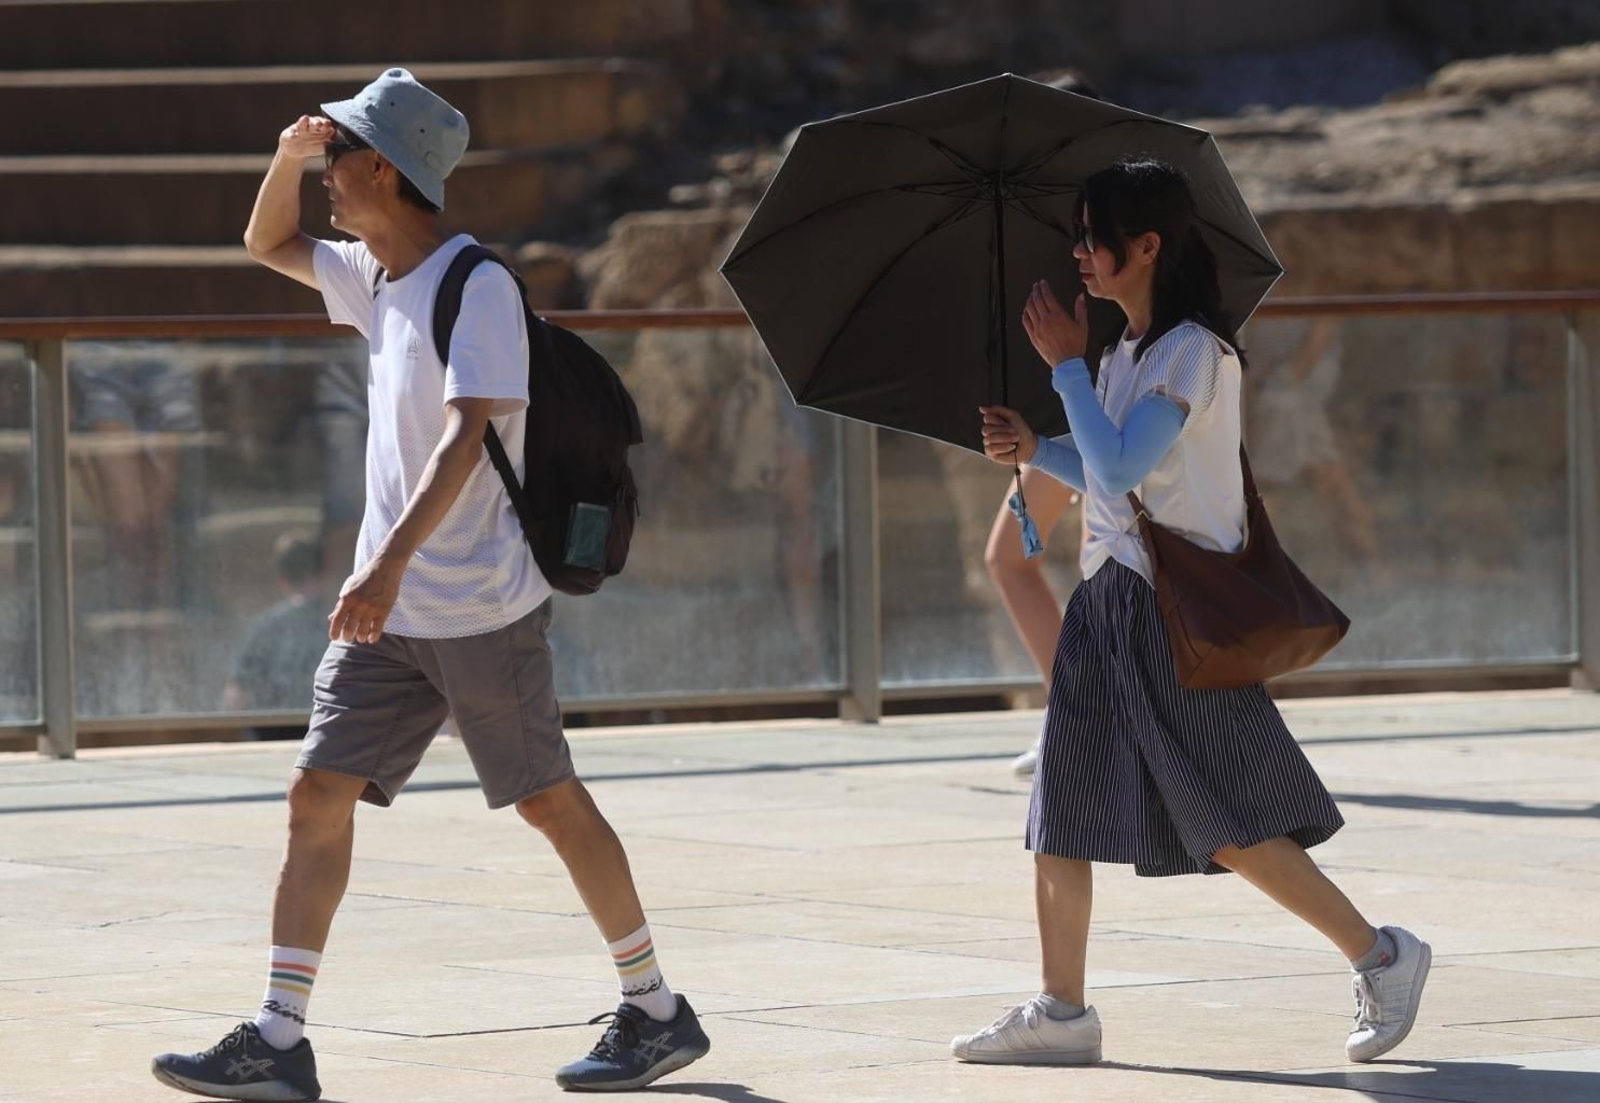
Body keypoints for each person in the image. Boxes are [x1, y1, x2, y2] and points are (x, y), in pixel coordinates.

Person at [150, 69, 709, 1101]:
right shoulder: (377, 275)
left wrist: (385, 559)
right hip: (390, 616)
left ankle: (657, 1009)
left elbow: (468, 433)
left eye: (335, 158)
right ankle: (279, 1033)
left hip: (476, 608)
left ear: (382, 167)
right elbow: (266, 246)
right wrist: (281, 153)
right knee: (316, 791)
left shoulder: (473, 284)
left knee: (546, 800)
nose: (326, 174)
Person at [955, 156, 1430, 1067]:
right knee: (1060, 808)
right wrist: (1037, 447)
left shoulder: (1192, 352)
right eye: (1078, 237)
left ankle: (1383, 954)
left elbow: (1131, 467)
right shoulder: (1121, 353)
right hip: (1106, 600)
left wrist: (1061, 373)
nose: (1081, 255)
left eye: (1096, 238)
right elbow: (1106, 474)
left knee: (1234, 825)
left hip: (1165, 615)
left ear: (1148, 245)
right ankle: (1062, 1009)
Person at [986, 68, 1100, 777]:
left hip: (1104, 410)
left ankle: (1092, 726)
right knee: (1009, 555)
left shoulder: (1103, 224)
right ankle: (1076, 715)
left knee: (1105, 575)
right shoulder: (1039, 218)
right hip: (1063, 410)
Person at [222, 531, 332, 740]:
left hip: (268, 736)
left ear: (282, 581)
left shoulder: (263, 627)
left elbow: (235, 696)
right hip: (324, 737)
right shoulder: (340, 625)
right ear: (322, 574)